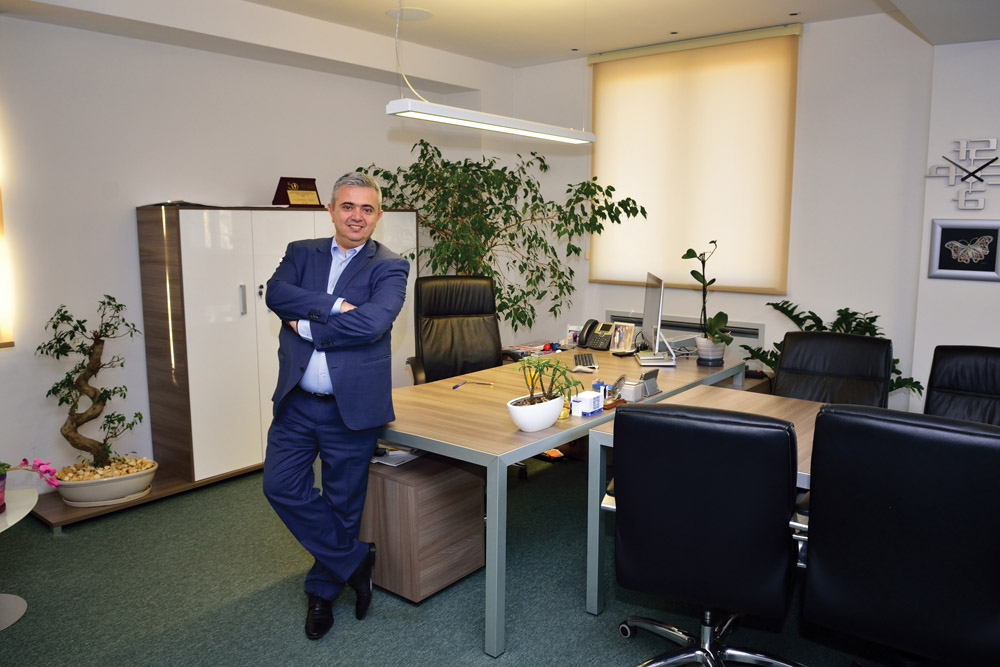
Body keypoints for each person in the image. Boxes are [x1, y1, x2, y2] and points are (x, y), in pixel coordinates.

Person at [262, 171, 409, 640]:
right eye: (348, 206)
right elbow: (275, 295)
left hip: (352, 407)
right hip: (297, 401)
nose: (357, 216)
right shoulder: (300, 253)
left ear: (378, 215)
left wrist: (305, 323)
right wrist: (336, 306)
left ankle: (322, 592)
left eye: (367, 208)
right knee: (280, 486)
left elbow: (372, 324)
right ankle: (354, 560)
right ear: (330, 210)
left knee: (344, 503)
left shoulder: (391, 265)